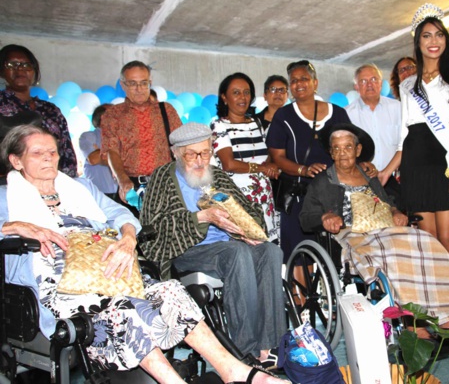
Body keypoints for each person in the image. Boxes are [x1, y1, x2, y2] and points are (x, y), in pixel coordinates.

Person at [0, 124, 285, 384]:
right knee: (124, 309)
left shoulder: (80, 188)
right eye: (38, 153)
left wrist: (126, 239)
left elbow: (123, 215)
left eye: (52, 151)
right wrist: (12, 225)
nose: (49, 158)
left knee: (172, 292)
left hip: (110, 269)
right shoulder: (6, 197)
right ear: (16, 160)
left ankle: (235, 369)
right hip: (60, 283)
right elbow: (159, 224)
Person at [299, 123, 449, 340]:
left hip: (384, 228)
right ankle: (414, 325)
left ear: (358, 150)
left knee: (427, 243)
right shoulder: (322, 181)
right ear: (330, 152)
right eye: (336, 148)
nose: (341, 153)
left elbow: (386, 202)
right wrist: (324, 217)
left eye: (347, 147)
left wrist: (395, 211)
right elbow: (305, 217)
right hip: (351, 234)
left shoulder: (369, 176)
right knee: (394, 253)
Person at [140, 123, 286, 366]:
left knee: (270, 251)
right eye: (191, 154)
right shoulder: (162, 178)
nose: (200, 160)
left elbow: (250, 210)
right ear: (176, 153)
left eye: (206, 152)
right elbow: (151, 230)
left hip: (229, 246)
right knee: (237, 253)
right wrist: (201, 217)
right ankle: (243, 351)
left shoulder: (217, 176)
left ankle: (270, 345)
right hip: (187, 251)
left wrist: (244, 228)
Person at [382, 4, 449, 280]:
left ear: (446, 40)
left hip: (446, 163)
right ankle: (440, 307)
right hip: (415, 164)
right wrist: (388, 170)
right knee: (429, 243)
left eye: (438, 35)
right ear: (418, 42)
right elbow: (404, 136)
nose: (433, 41)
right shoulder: (408, 84)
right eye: (426, 36)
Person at [266, 60, 353, 262]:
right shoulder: (283, 116)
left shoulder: (338, 113)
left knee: (337, 254)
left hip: (335, 194)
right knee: (299, 255)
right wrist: (303, 170)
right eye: (294, 80)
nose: (299, 83)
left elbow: (350, 148)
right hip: (299, 194)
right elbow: (278, 157)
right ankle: (300, 295)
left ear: (315, 83)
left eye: (304, 78)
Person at [100, 60, 182, 209]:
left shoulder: (166, 110)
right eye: (132, 83)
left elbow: (182, 144)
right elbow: (111, 150)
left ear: (150, 82)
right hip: (133, 188)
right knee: (137, 231)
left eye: (143, 83)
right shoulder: (113, 114)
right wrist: (122, 179)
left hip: (167, 185)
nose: (139, 89)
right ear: (123, 85)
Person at [211, 72, 280, 243]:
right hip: (239, 200)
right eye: (236, 92)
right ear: (224, 98)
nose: (243, 97)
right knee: (247, 250)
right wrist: (262, 168)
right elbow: (228, 164)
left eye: (247, 92)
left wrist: (271, 166)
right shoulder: (219, 125)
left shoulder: (256, 124)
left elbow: (268, 157)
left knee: (268, 249)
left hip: (264, 199)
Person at [0, 44, 77, 177]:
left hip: (53, 185)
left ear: (34, 71)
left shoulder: (51, 110)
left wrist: (68, 182)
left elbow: (66, 151)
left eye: (26, 65)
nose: (20, 69)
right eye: (12, 64)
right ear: (2, 70)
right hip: (8, 185)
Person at [346, 64, 402, 209]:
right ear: (356, 87)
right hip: (363, 180)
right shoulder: (347, 114)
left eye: (373, 79)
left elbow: (407, 142)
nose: (369, 84)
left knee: (398, 226)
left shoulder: (398, 108)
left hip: (395, 179)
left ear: (381, 83)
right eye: (363, 81)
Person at [79, 105, 118, 200]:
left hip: (122, 193)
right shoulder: (88, 136)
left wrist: (103, 153)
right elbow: (94, 159)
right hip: (98, 195)